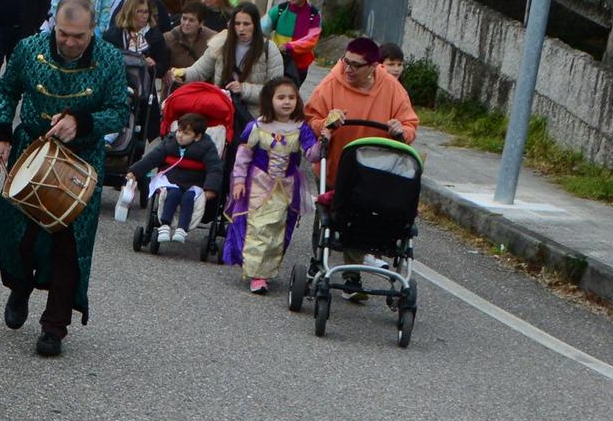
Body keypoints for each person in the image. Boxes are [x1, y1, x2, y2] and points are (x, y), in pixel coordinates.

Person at [0, 0, 130, 357]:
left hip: (82, 159)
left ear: (93, 29)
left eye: (79, 36)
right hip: (31, 150)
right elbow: (6, 90)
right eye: (64, 34)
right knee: (20, 235)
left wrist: (81, 123)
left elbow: (118, 111)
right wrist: (0, 133)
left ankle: (54, 327)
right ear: (54, 25)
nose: (69, 42)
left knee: (70, 245)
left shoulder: (110, 59)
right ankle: (19, 288)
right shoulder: (28, 49)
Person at [221, 76, 319, 293]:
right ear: (269, 100)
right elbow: (243, 155)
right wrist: (238, 181)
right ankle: (256, 274)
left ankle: (266, 270)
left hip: (286, 187)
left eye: (291, 97)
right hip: (258, 184)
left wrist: (325, 139)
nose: (287, 102)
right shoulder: (257, 126)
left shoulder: (301, 128)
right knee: (258, 227)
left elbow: (312, 155)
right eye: (281, 97)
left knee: (277, 229)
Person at [304, 37, 419, 191]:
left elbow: (409, 126)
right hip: (335, 174)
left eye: (355, 65)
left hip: (376, 176)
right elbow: (310, 120)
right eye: (346, 61)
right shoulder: (330, 84)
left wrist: (400, 131)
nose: (347, 69)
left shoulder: (392, 88)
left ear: (373, 66)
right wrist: (327, 122)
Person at [173, 3, 284, 127]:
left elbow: (276, 91)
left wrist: (243, 89)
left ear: (255, 25)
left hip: (254, 119)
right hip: (221, 111)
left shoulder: (269, 49)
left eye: (246, 24)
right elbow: (199, 71)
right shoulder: (220, 43)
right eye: (237, 24)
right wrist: (183, 74)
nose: (241, 28)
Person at [124, 112, 225, 245]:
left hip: (194, 182)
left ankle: (182, 228)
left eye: (186, 133)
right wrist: (135, 171)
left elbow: (214, 168)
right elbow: (152, 158)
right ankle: (165, 225)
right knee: (172, 194)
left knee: (189, 198)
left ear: (197, 136)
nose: (180, 135)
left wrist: (211, 188)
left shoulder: (207, 147)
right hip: (172, 180)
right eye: (179, 131)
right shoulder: (171, 141)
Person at [263, 0, 323, 85]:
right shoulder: (280, 9)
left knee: (291, 94)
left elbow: (311, 40)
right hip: (277, 60)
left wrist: (289, 47)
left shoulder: (313, 15)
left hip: (300, 65)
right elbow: (262, 27)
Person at [104, 0, 169, 73]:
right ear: (129, 13)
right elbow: (104, 60)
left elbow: (163, 66)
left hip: (142, 82)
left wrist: (152, 66)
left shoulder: (155, 36)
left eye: (146, 12)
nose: (144, 16)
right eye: (140, 11)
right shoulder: (112, 35)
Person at [164, 3, 216, 72]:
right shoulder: (168, 38)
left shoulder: (212, 38)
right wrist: (167, 72)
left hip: (201, 80)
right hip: (175, 80)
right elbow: (162, 63)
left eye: (191, 20)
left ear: (201, 23)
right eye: (184, 18)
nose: (186, 23)